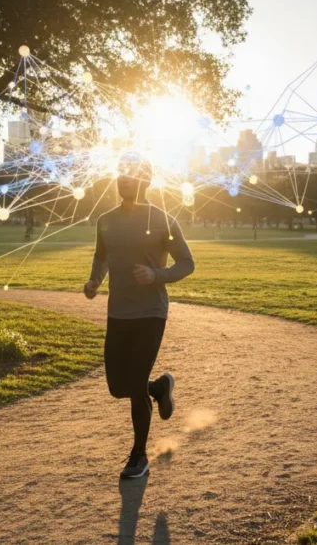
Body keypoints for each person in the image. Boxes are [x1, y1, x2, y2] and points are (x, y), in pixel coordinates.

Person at [84, 153, 195, 479]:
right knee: (118, 386)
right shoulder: (105, 219)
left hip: (150, 312)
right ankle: (159, 388)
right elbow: (102, 255)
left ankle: (138, 456)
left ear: (145, 180)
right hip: (118, 312)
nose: (124, 180)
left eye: (131, 175)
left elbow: (187, 263)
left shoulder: (162, 219)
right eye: (121, 174)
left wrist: (156, 274)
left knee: (133, 386)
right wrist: (94, 281)